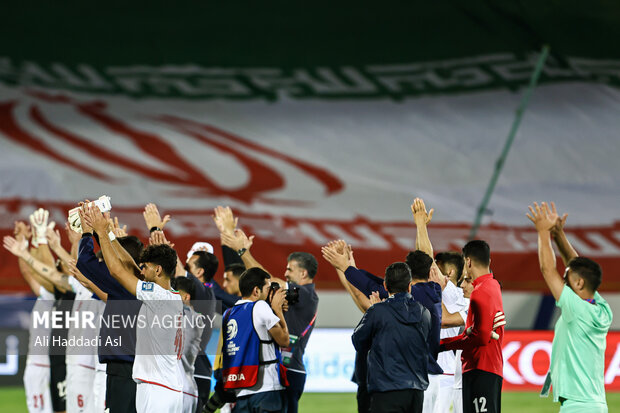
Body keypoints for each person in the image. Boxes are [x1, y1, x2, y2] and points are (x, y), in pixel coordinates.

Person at [216, 206, 319, 413]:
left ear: (303, 274)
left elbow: (268, 281)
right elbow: (247, 282)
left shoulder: (307, 294)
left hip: (290, 369)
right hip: (278, 367)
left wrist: (243, 251)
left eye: (290, 269)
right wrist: (228, 236)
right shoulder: (288, 297)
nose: (285, 273)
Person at [83, 205, 184, 412]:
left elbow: (119, 271)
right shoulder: (171, 296)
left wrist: (101, 233)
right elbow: (131, 266)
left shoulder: (157, 296)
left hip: (157, 390)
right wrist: (109, 234)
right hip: (169, 388)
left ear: (158, 270)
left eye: (145, 267)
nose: (141, 270)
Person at [527, 202, 612, 412]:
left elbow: (548, 270)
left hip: (578, 407)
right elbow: (576, 265)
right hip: (596, 405)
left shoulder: (577, 310)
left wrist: (543, 232)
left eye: (567, 279)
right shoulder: (602, 309)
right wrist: (558, 235)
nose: (563, 281)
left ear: (580, 284)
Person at [76, 207, 143, 413]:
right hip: (137, 368)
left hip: (123, 370)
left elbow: (84, 262)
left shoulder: (122, 284)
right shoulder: (142, 284)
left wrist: (87, 233)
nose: (109, 262)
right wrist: (103, 232)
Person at [352, 262, 431, 413]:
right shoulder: (424, 313)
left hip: (386, 389)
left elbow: (358, 341)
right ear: (409, 286)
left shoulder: (378, 312)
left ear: (385, 286)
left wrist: (373, 311)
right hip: (416, 391)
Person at [440, 240, 505, 413]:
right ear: (489, 261)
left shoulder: (479, 291)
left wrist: (443, 345)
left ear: (468, 261)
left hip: (479, 368)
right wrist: (472, 331)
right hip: (489, 368)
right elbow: (481, 333)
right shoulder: (493, 285)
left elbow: (480, 337)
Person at [221, 267, 290, 412]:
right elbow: (284, 340)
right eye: (268, 289)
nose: (270, 293)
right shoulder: (260, 306)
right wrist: (277, 310)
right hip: (266, 389)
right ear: (256, 291)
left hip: (240, 391)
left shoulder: (228, 314)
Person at [174, 276, 206, 413]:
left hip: (179, 391)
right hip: (187, 389)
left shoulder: (192, 317)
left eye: (175, 294)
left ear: (186, 297)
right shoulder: (194, 318)